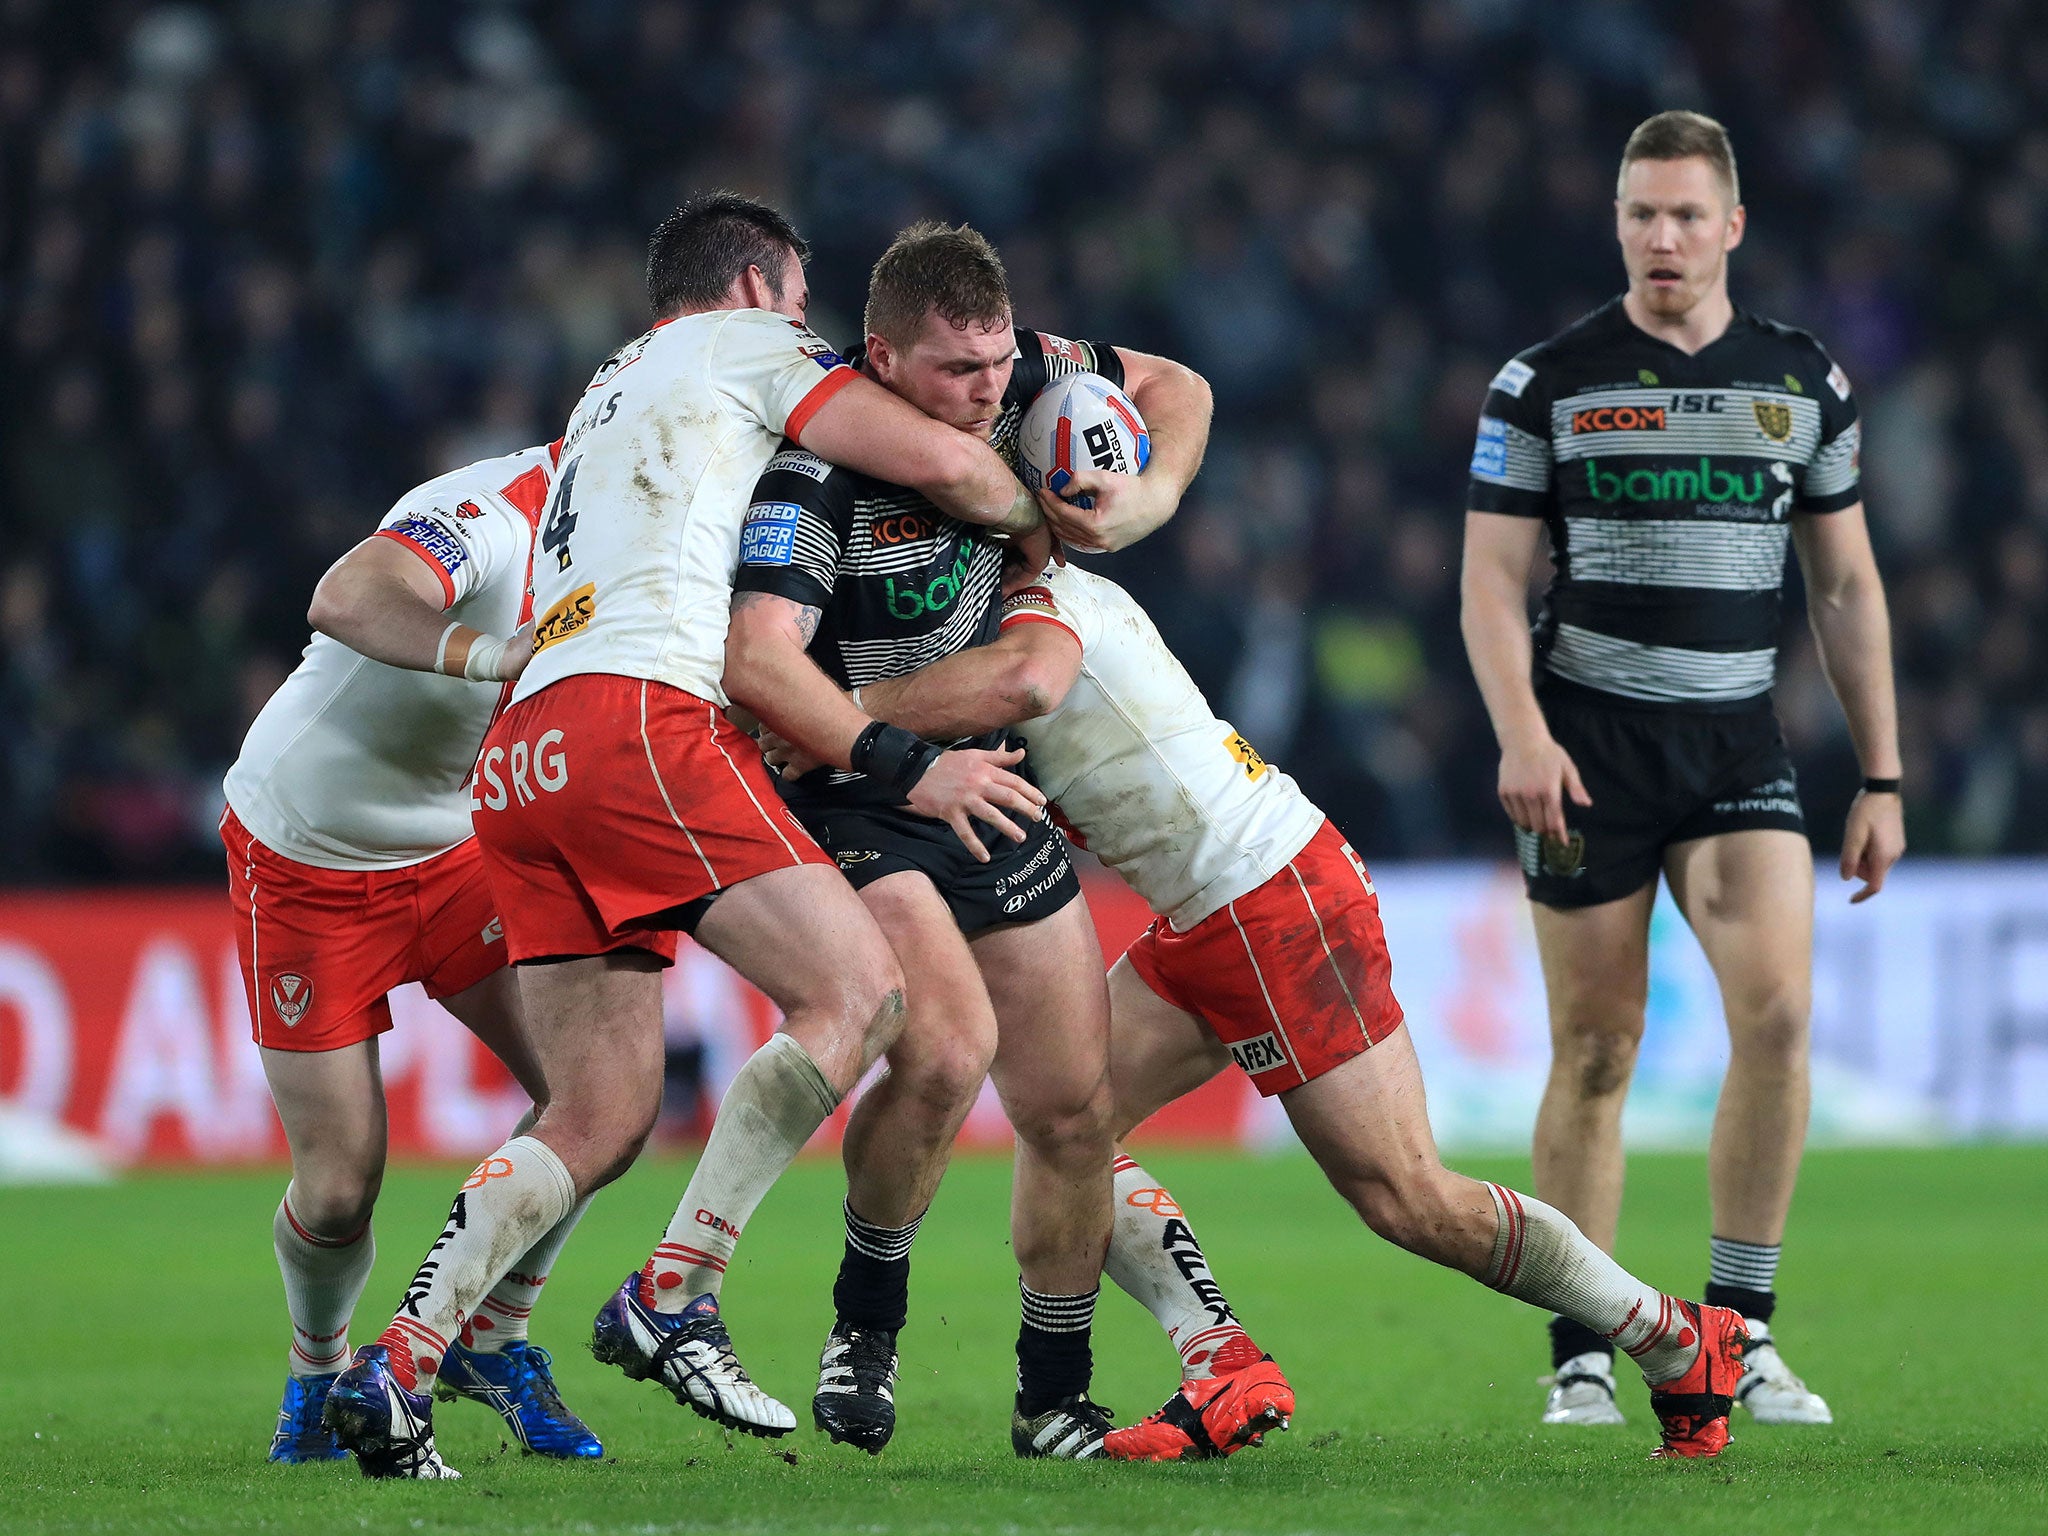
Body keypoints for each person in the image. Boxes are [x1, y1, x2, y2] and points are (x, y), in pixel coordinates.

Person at [322, 193, 1050, 1479]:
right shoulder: (745, 346)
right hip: (642, 713)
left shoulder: (608, 384)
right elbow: (940, 462)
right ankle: (677, 1292)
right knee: (861, 992)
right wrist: (1040, 512)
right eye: (804, 299)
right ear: (762, 284)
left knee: (598, 1110)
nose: (811, 326)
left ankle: (393, 1371)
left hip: (520, 754)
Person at [842, 546, 1750, 1461]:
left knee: (1409, 1199)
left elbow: (1029, 679)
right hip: (1209, 907)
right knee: (1067, 1122)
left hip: (1271, 898)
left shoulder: (1035, 602)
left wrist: (837, 721)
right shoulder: (987, 609)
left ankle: (1676, 1338)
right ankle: (1215, 1359)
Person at [728, 221, 1212, 1460]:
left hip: (982, 786)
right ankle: (866, 1323)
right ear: (880, 359)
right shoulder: (811, 470)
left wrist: (1141, 502)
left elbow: (1179, 388)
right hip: (846, 800)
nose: (990, 390)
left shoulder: (1027, 375)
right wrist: (874, 747)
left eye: (998, 361)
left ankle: (1052, 1397)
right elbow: (760, 672)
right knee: (943, 1051)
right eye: (956, 371)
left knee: (1070, 1110)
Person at [1457, 111, 1904, 1429]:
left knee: (1775, 1019)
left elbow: (1846, 583)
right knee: (1596, 1048)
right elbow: (1490, 584)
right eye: (1641, 214)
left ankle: (1741, 1332)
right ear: (1617, 223)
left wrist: (1882, 773)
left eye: (1686, 215)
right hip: (1586, 750)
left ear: (1733, 227)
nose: (1662, 238)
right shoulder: (1545, 383)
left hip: (1734, 745)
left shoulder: (1803, 382)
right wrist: (1522, 735)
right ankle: (1586, 1348)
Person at [223, 443, 606, 1465]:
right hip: (306, 851)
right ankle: (316, 1371)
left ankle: (491, 1335)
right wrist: (491, 654)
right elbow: (349, 594)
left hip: (462, 849)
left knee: (593, 1099)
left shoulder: (660, 542)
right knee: (342, 1184)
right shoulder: (498, 507)